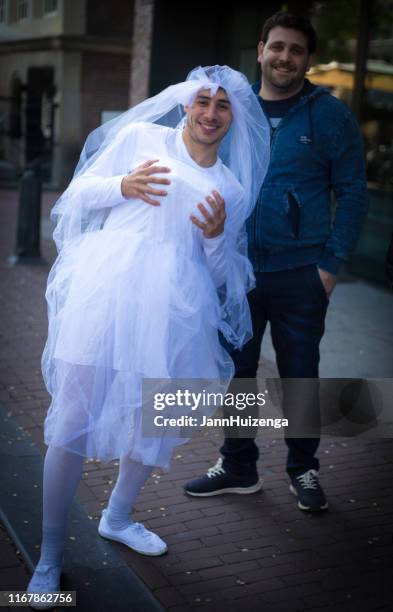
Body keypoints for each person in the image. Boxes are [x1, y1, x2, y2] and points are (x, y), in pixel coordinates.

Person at [26, 65, 269, 605]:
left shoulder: (228, 187)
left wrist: (212, 238)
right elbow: (77, 195)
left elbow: (228, 274)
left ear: (234, 118)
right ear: (185, 103)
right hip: (108, 294)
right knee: (72, 417)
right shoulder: (141, 139)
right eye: (202, 101)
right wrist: (121, 184)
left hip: (174, 311)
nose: (210, 113)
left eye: (222, 106)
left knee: (152, 418)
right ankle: (48, 556)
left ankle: (116, 516)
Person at [184, 11, 369, 511]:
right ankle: (238, 466)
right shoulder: (233, 110)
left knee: (299, 373)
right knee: (238, 372)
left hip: (299, 272)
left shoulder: (329, 116)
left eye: (296, 50)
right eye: (277, 47)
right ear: (261, 50)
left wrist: (330, 265)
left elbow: (352, 192)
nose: (285, 57)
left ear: (307, 59)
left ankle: (303, 470)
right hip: (236, 268)